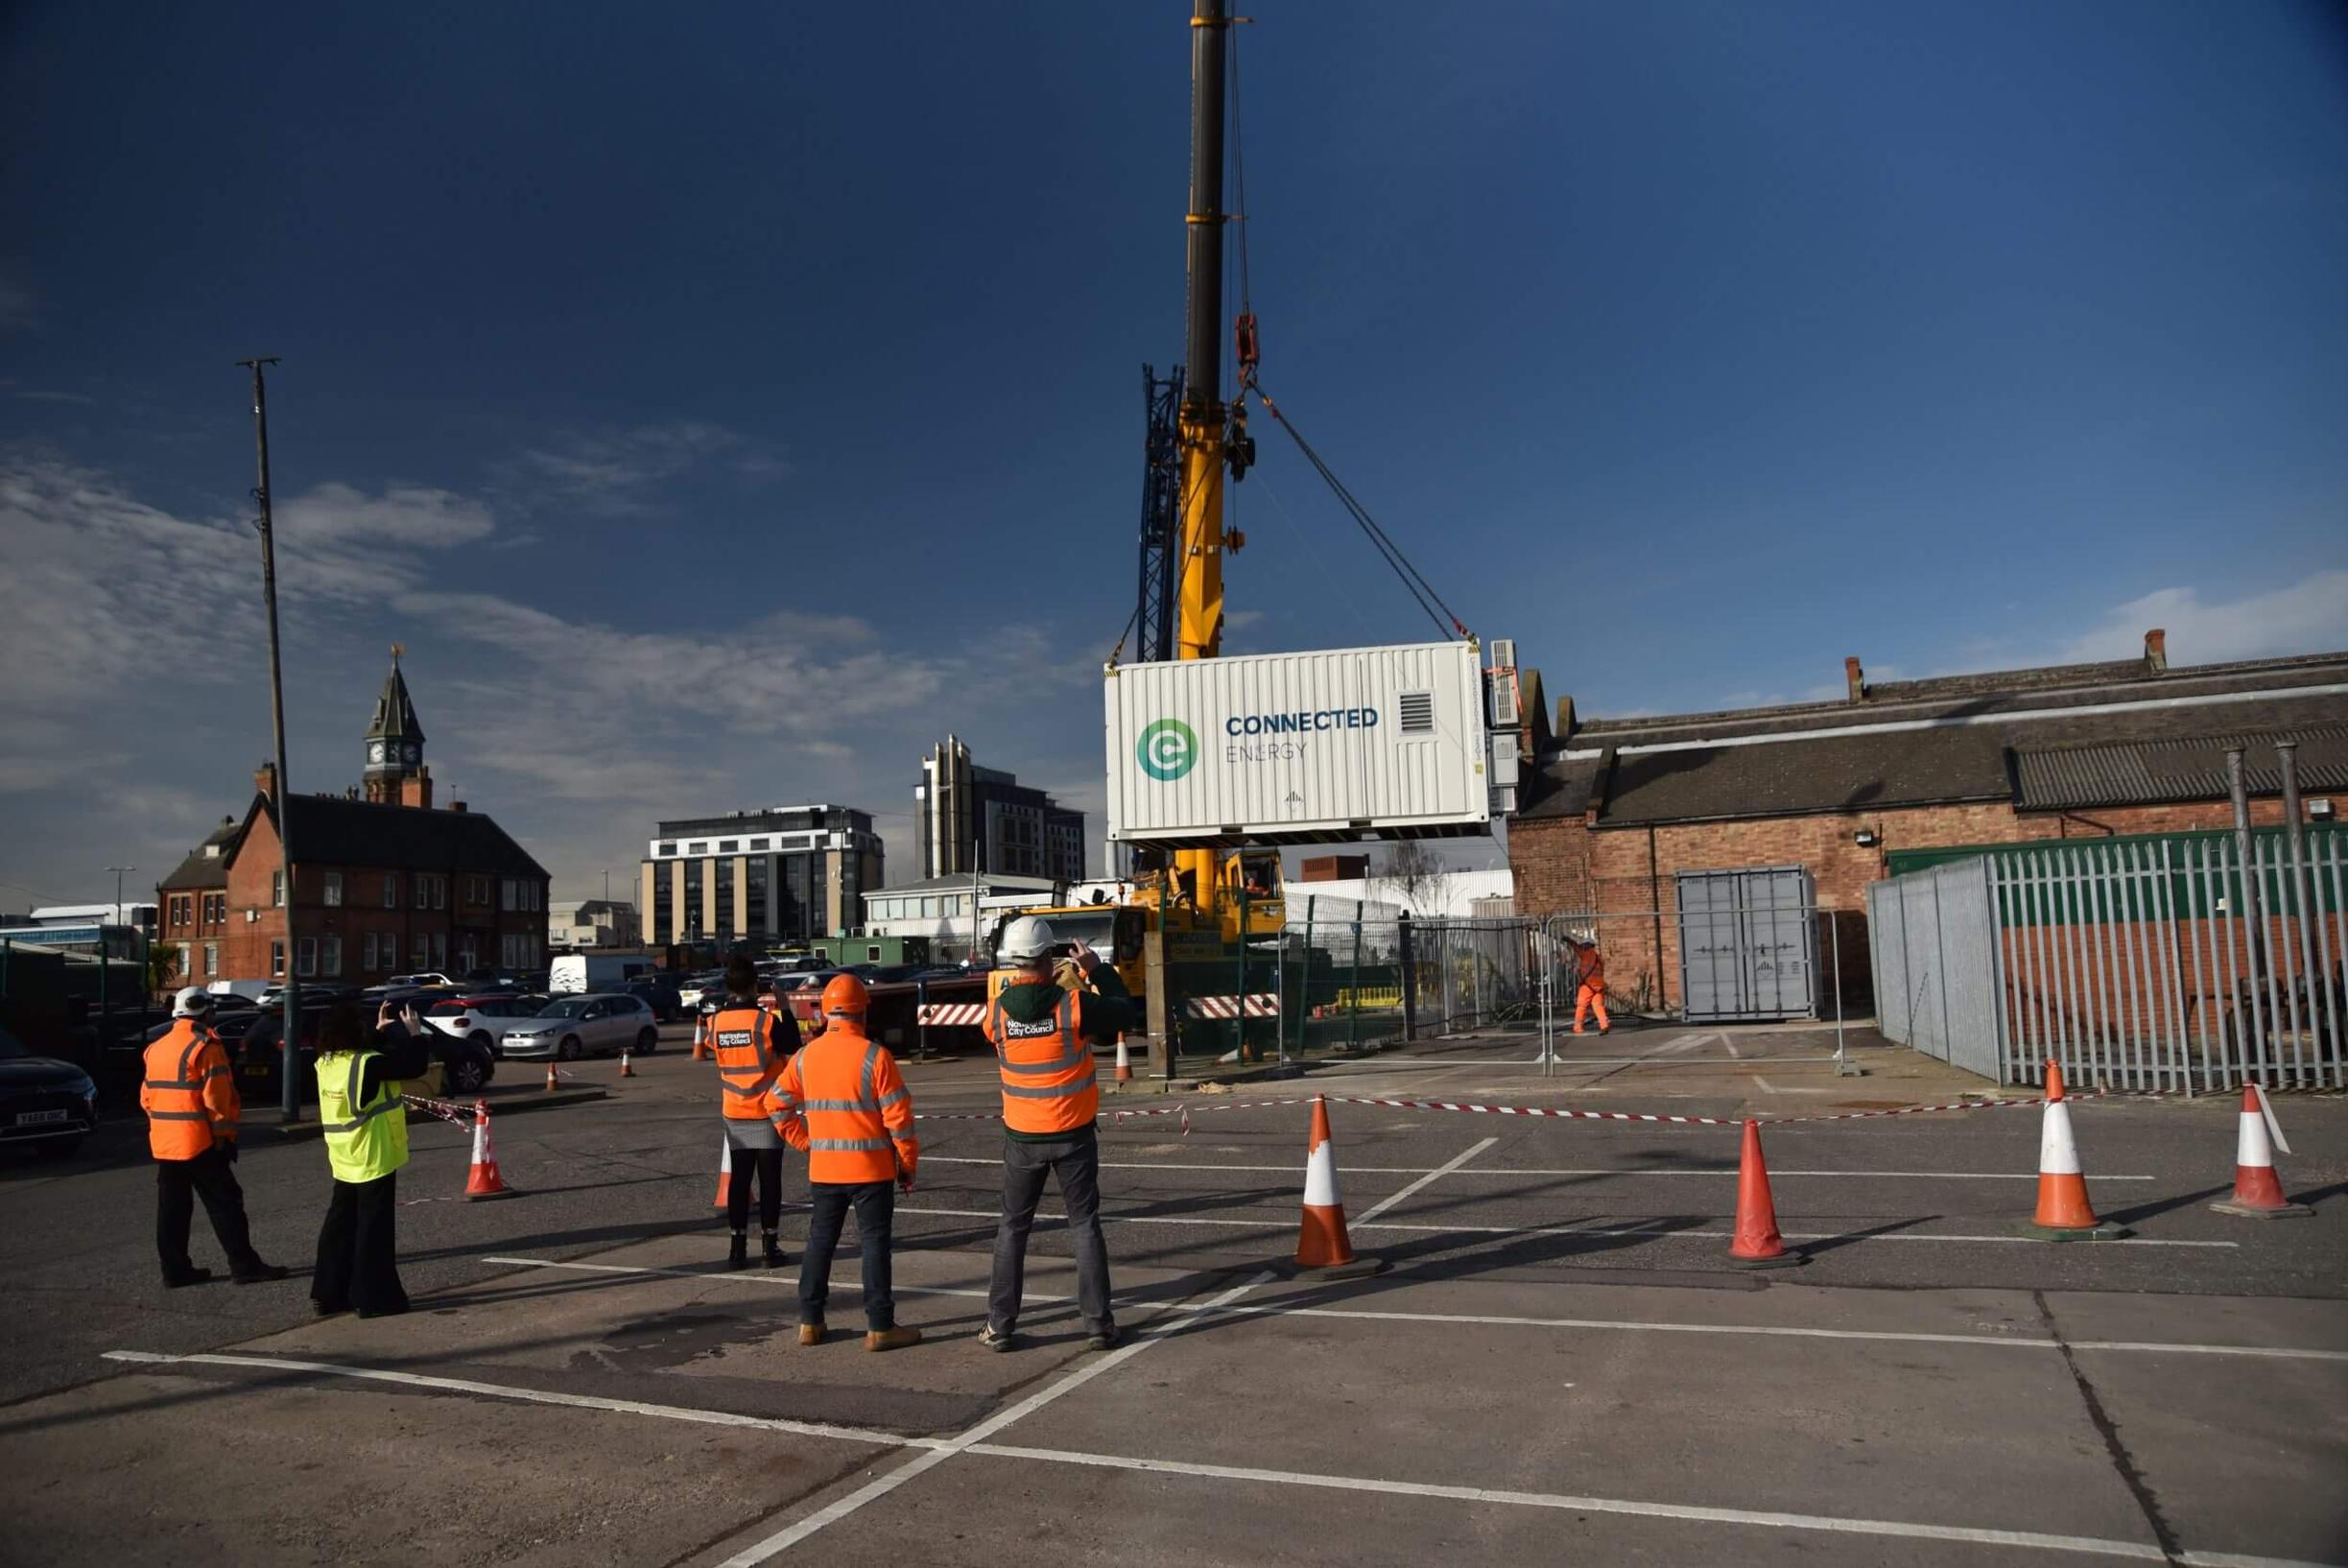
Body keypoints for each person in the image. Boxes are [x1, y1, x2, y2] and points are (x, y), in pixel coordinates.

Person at [980, 915, 1135, 1352]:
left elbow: (1010, 1023)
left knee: (1012, 1229)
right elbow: (1126, 1010)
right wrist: (1096, 969)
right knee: (1084, 1226)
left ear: (1013, 961)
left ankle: (1000, 1326)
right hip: (1073, 1134)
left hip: (1023, 1137)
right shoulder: (1074, 1006)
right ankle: (1098, 1325)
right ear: (1050, 958)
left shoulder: (997, 1015)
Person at [766, 974, 920, 1351]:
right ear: (861, 1011)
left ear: (828, 1013)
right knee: (874, 1245)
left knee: (820, 1243)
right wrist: (907, 1163)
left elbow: (775, 1104)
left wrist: (805, 1143)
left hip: (826, 1169)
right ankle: (880, 1326)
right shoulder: (876, 1057)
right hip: (872, 1171)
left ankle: (810, 1321)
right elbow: (898, 1120)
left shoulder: (806, 1056)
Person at [140, 986, 287, 1289]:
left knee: (172, 1211)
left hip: (165, 1144)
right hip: (200, 1142)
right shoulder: (205, 1047)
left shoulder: (157, 1048)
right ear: (206, 1012)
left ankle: (175, 1270)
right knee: (226, 1205)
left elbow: (147, 1098)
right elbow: (217, 1101)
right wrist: (224, 1138)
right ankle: (244, 1266)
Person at [311, 999, 433, 1318]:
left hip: (343, 1154)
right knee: (373, 1231)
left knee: (339, 1227)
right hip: (373, 1154)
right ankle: (374, 1298)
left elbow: (368, 1060)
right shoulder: (368, 1063)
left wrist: (379, 1032)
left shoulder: (326, 1062)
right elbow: (413, 1066)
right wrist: (414, 1033)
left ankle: (329, 1293)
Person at [708, 953, 792, 1269]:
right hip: (766, 1111)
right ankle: (770, 1247)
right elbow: (792, 1044)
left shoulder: (715, 1022)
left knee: (740, 1181)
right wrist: (783, 1006)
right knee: (770, 1181)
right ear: (756, 985)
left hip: (735, 1111)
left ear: (729, 986)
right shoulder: (765, 1021)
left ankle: (737, 1248)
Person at [1571, 930, 1611, 1036]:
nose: (1583, 947)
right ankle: (1604, 1025)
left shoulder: (1585, 954)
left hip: (1588, 985)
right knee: (1598, 1006)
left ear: (1586, 946)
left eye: (1584, 945)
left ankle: (1578, 1027)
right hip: (1599, 986)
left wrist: (1568, 940)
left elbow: (1575, 947)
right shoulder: (1599, 958)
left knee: (1581, 1006)